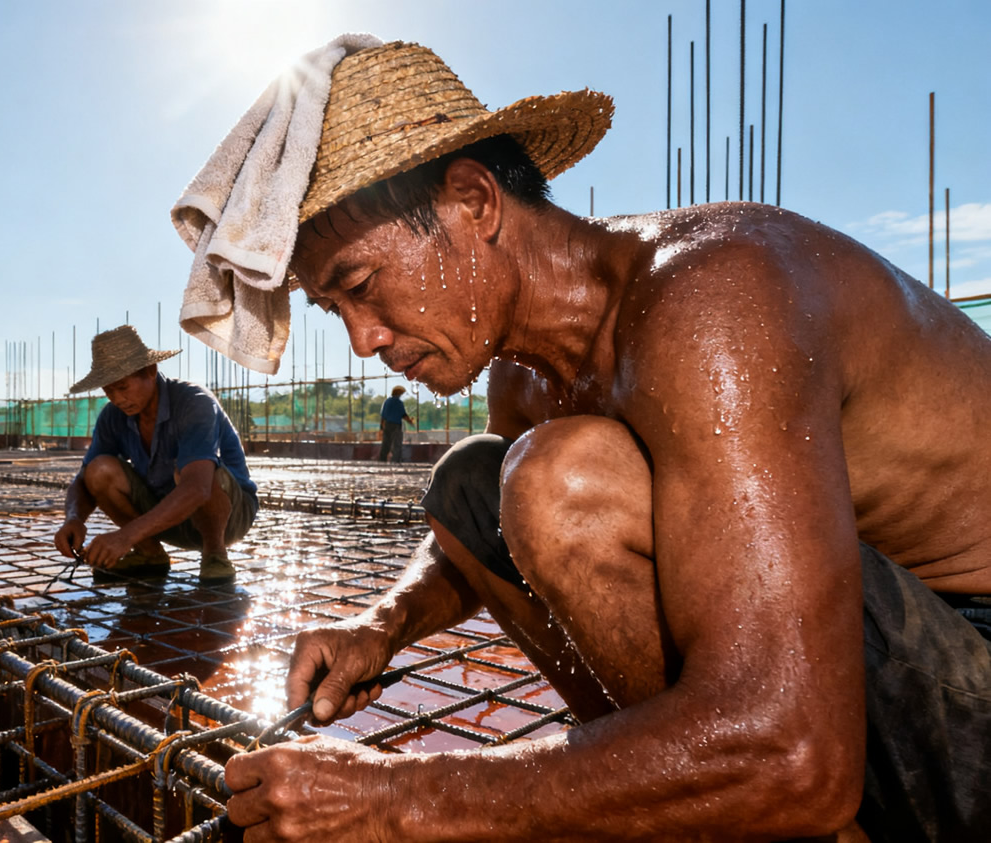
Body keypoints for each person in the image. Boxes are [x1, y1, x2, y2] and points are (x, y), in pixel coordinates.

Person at [179, 40, 991, 841]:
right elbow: (472, 542)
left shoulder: (713, 304)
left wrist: (398, 798)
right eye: (334, 310)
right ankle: (713, 795)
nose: (361, 339)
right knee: (477, 482)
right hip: (863, 690)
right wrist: (381, 627)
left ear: (475, 202)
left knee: (560, 483)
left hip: (966, 703)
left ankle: (769, 807)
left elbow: (794, 746)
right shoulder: (523, 379)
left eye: (360, 285)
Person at [53, 326, 258, 582]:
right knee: (98, 470)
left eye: (122, 387)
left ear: (150, 372)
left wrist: (125, 536)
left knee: (196, 472)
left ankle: (215, 555)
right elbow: (83, 481)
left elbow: (198, 488)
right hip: (166, 515)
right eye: (108, 391)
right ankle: (149, 554)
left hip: (229, 516)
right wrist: (74, 519)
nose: (117, 398)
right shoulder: (113, 416)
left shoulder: (194, 402)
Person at [376, 385, 414, 463]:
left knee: (386, 443)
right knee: (397, 444)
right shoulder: (399, 403)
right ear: (399, 393)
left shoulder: (387, 401)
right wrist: (410, 421)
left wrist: (381, 427)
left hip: (387, 425)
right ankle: (395, 461)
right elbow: (403, 415)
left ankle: (382, 460)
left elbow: (383, 416)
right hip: (396, 425)